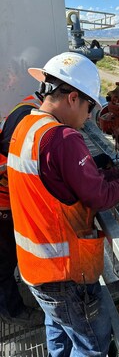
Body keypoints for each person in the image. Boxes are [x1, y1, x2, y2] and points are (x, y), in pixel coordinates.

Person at [7, 52, 119, 356]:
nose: (89, 117)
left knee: (58, 326)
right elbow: (98, 196)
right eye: (89, 107)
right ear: (73, 98)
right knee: (92, 346)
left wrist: (117, 173)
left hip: (36, 269)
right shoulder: (62, 137)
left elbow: (65, 180)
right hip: (64, 275)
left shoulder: (27, 126)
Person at [0, 93, 45, 327]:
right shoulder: (26, 120)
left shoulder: (28, 107)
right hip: (2, 207)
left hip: (7, 204)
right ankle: (12, 311)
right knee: (4, 261)